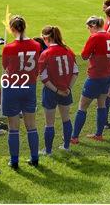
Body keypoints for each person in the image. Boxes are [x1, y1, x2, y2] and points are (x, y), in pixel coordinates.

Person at [71, 16, 110, 143]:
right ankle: (99, 134)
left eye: (88, 27)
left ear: (93, 25)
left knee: (82, 106)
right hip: (108, 75)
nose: (89, 30)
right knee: (101, 104)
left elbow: (84, 55)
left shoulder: (95, 37)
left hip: (95, 76)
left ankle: (74, 137)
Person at [2, 15, 41, 169]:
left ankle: (14, 160)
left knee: (13, 127)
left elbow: (5, 67)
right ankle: (34, 158)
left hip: (12, 87)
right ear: (25, 27)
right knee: (31, 125)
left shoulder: (9, 48)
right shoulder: (36, 45)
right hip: (29, 86)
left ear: (12, 29)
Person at [38, 26, 78, 154]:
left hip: (51, 91)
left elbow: (43, 77)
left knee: (49, 123)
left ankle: (48, 151)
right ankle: (66, 146)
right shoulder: (68, 50)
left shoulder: (46, 53)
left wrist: (56, 90)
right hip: (66, 90)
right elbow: (75, 72)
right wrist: (68, 88)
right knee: (66, 119)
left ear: (46, 38)